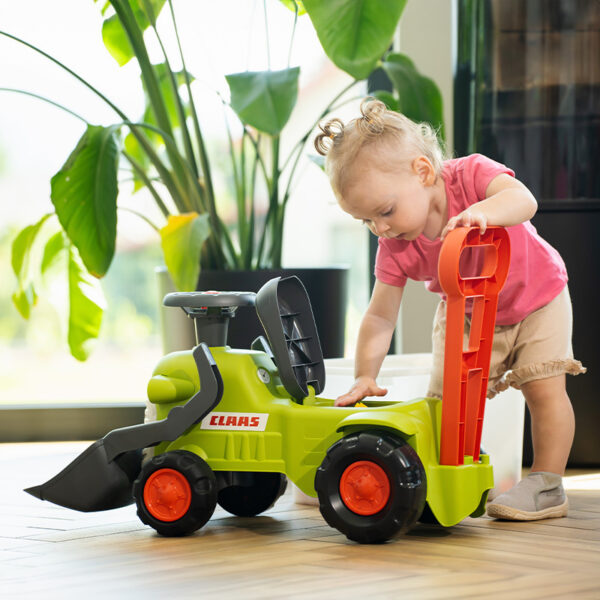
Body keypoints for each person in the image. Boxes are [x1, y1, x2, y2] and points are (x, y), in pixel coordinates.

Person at [313, 98, 586, 522]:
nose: (380, 228)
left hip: (538, 298)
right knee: (445, 405)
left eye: (384, 211)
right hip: (469, 312)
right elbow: (380, 315)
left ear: (422, 171)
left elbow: (524, 200)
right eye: (366, 221)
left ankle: (547, 483)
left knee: (544, 389)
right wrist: (366, 374)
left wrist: (483, 212)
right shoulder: (395, 244)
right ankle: (447, 477)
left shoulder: (471, 175)